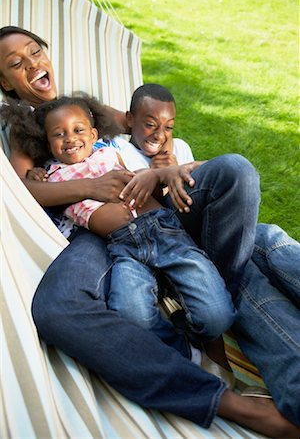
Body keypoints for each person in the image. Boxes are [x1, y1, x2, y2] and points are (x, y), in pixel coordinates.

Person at [1, 26, 299, 437]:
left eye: (36, 52)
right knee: (56, 308)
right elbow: (26, 191)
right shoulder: (23, 125)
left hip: (153, 205)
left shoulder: (83, 108)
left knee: (234, 171)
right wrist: (88, 187)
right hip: (93, 230)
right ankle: (222, 396)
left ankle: (216, 299)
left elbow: (145, 122)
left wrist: (166, 162)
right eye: (16, 63)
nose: (33, 63)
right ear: (4, 82)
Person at [2, 95, 236, 358]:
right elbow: (23, 190)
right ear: (48, 144)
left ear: (93, 134)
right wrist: (34, 174)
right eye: (59, 134)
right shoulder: (50, 177)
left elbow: (143, 178)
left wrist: (160, 174)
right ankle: (181, 347)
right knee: (133, 316)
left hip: (162, 231)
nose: (70, 138)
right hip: (122, 247)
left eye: (78, 130)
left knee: (218, 317)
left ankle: (197, 326)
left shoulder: (107, 152)